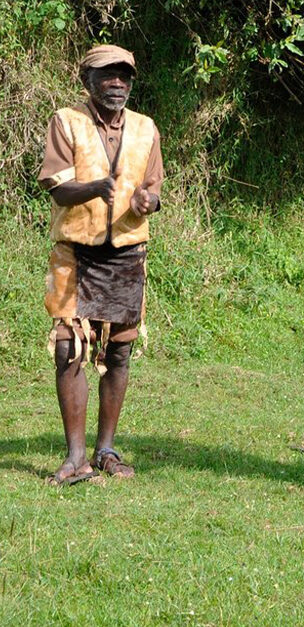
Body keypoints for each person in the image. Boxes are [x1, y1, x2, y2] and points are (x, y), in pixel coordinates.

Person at [38, 44, 164, 485]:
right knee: (69, 348)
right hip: (77, 251)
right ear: (86, 81)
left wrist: (149, 201)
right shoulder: (66, 122)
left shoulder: (146, 129)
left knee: (120, 351)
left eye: (124, 76)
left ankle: (106, 448)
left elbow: (153, 189)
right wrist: (94, 187)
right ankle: (76, 457)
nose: (117, 84)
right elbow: (56, 187)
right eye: (107, 76)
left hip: (128, 253)